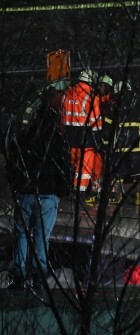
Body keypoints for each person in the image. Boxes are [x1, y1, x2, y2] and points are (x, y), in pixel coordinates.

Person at [5, 81, 72, 289]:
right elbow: (64, 167)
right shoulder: (57, 139)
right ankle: (39, 274)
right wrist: (62, 191)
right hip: (48, 195)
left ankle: (19, 274)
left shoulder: (26, 137)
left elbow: (12, 163)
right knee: (42, 236)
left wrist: (17, 186)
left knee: (22, 233)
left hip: (25, 192)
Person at [61, 69, 105, 204]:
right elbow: (96, 121)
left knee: (72, 165)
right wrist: (99, 139)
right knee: (84, 168)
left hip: (69, 136)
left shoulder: (67, 95)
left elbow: (62, 116)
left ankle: (69, 190)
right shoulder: (91, 97)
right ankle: (79, 195)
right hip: (86, 138)